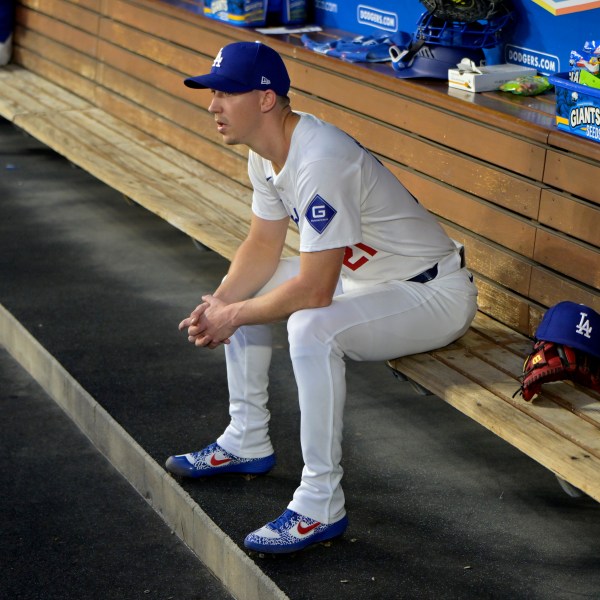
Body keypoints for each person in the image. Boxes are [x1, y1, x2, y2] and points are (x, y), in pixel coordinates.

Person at [165, 41, 478, 554]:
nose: (212, 105)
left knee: (310, 326)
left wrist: (234, 315)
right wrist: (218, 304)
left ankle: (320, 502)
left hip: (430, 293)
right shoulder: (265, 154)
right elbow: (262, 246)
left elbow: (314, 289)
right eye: (212, 93)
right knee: (252, 294)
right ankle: (246, 438)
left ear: (265, 99)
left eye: (225, 93)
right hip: (373, 282)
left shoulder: (321, 158)